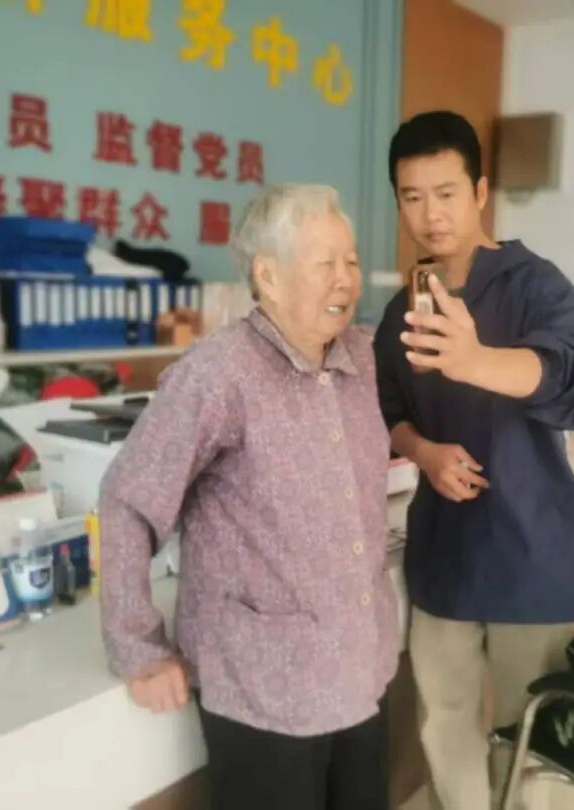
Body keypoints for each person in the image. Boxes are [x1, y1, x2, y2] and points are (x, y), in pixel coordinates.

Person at [100, 184, 398, 810]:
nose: (345, 279)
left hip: (361, 668)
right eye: (325, 263)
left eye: (350, 261)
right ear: (268, 275)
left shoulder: (364, 358)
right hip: (267, 689)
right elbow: (129, 501)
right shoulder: (218, 374)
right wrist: (138, 647)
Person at [373, 111, 574, 809]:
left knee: (533, 731)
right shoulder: (403, 311)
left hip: (529, 547)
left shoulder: (536, 285)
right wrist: (424, 451)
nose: (431, 215)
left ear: (479, 191)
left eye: (446, 193)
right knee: (444, 721)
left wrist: (474, 359)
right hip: (445, 553)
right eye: (413, 197)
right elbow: (388, 411)